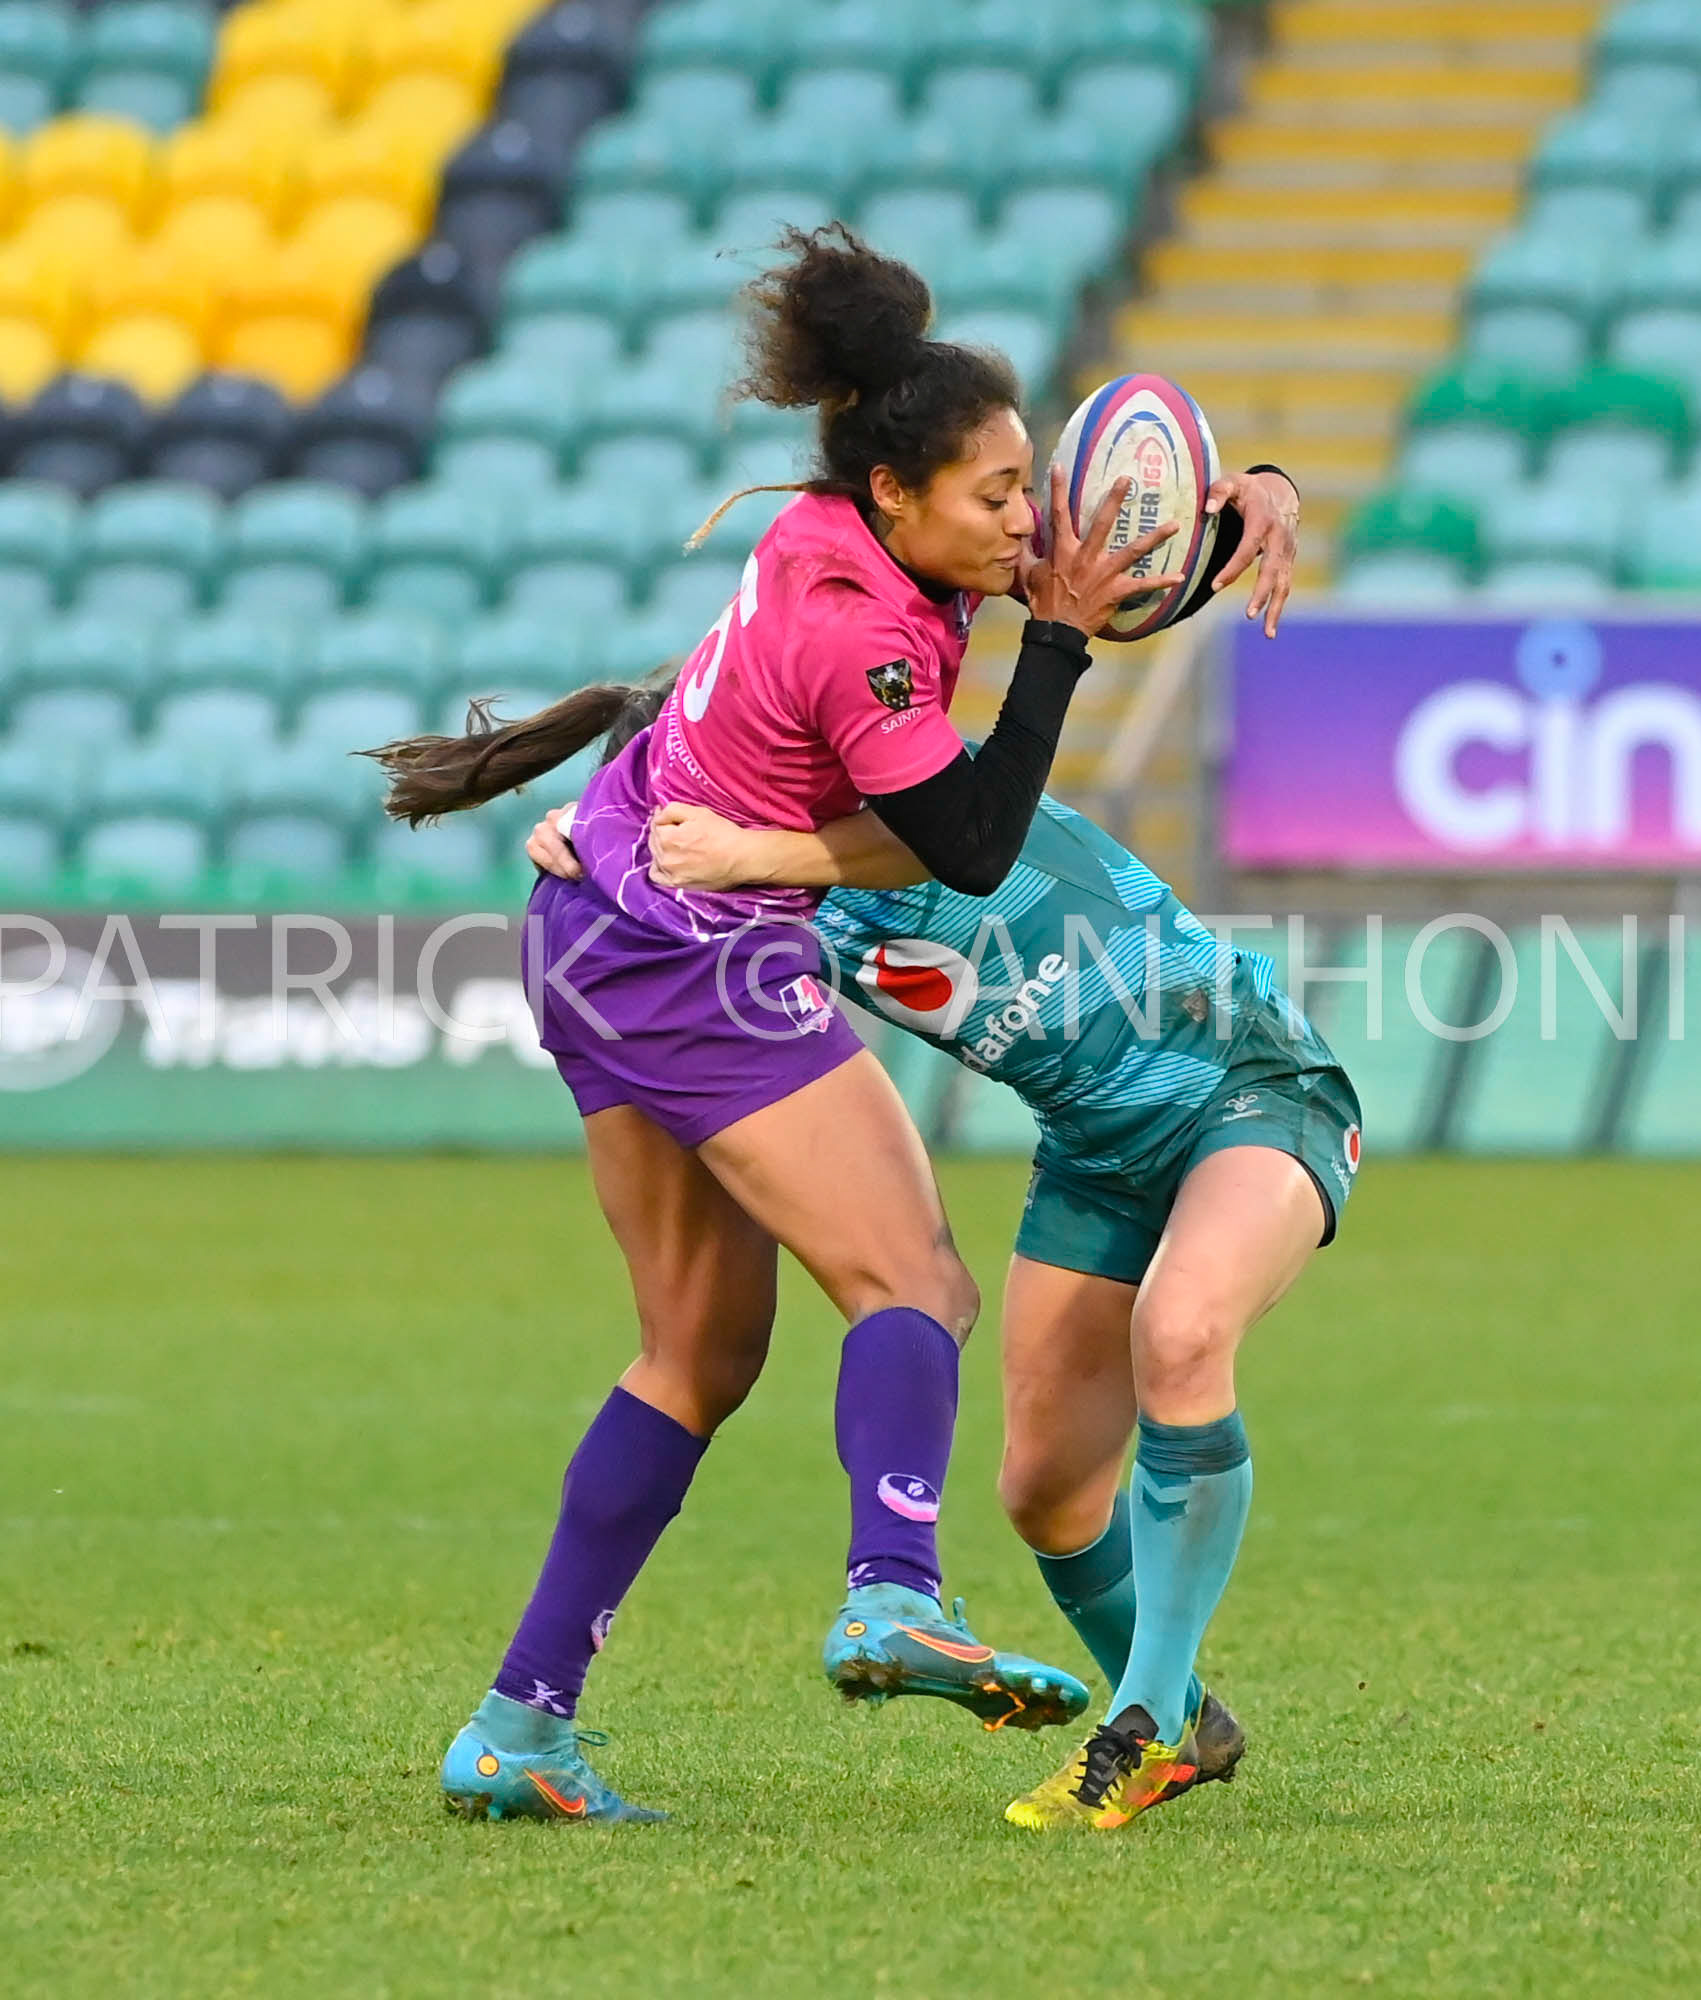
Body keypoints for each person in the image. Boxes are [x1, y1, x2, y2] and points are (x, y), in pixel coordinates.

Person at [361, 224, 1189, 1826]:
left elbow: (840, 734)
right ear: (897, 497)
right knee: (913, 1280)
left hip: (589, 927)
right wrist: (1060, 648)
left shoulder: (829, 527)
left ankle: (517, 1735)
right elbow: (964, 845)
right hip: (696, 961)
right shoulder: (865, 632)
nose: (1026, 518)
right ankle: (891, 1585)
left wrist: (1253, 497)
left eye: (1026, 484)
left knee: (695, 1353)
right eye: (998, 494)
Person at [522, 672, 1359, 1833]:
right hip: (1093, 1155)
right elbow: (689, 953)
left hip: (1249, 1088)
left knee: (1181, 1332)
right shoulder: (773, 908)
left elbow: (919, 811)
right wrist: (589, 850)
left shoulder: (915, 792)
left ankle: (1144, 1722)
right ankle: (1196, 1717)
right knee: (1047, 1493)